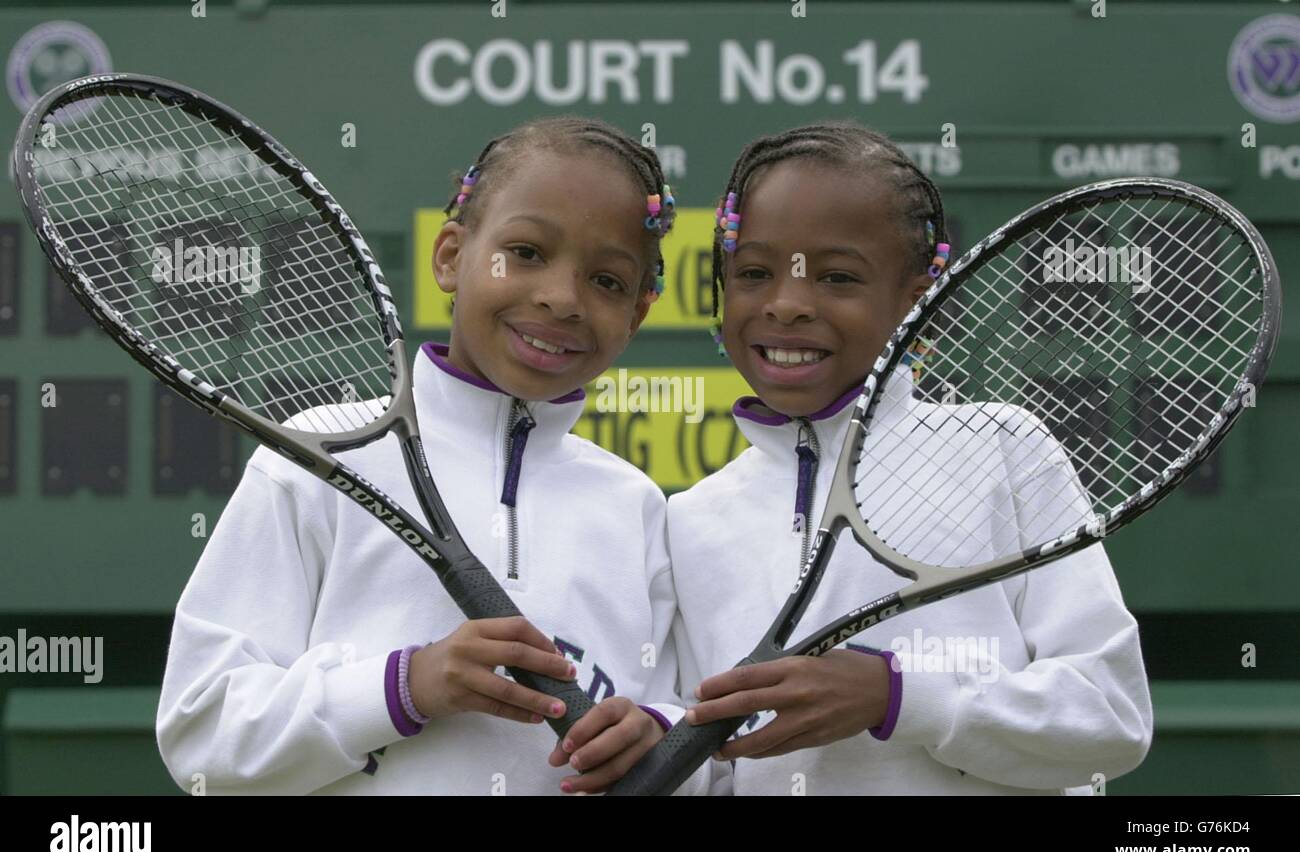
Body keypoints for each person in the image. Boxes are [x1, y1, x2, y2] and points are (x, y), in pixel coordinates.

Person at [157, 117, 710, 795]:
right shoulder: (325, 453)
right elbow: (202, 734)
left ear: (637, 314)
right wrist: (403, 687)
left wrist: (656, 734)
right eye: (528, 252)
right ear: (450, 255)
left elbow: (698, 747)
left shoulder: (636, 506)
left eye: (607, 280)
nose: (561, 298)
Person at [669, 122, 1153, 795]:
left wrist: (898, 697)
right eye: (754, 272)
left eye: (838, 276)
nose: (787, 303)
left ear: (919, 297)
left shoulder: (1004, 450)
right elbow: (716, 765)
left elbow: (1110, 717)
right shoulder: (690, 519)